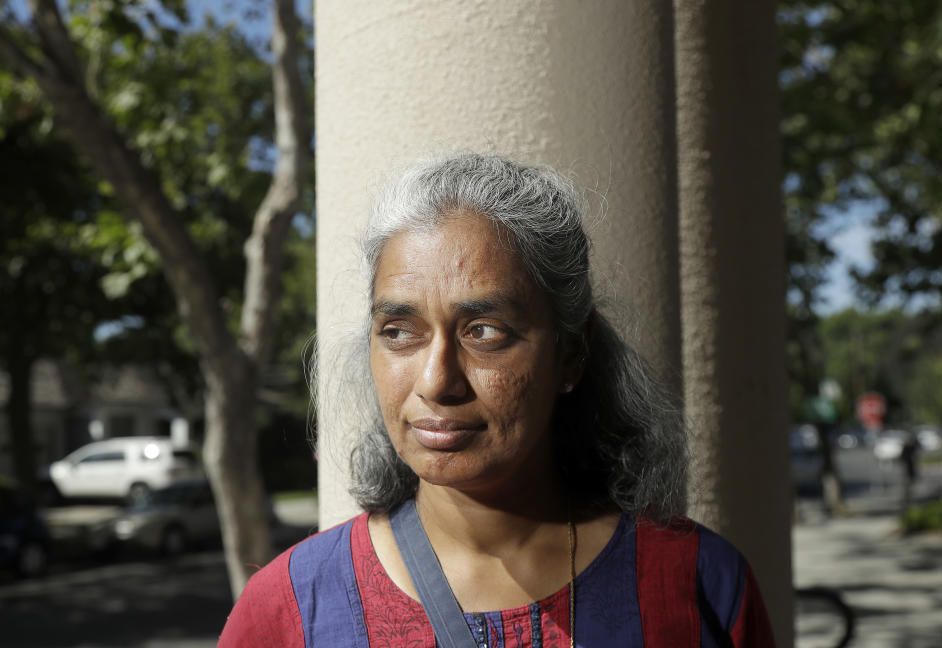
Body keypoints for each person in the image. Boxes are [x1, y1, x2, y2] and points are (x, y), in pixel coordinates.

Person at [218, 153, 776, 647]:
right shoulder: (292, 608)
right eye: (399, 331)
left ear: (572, 353)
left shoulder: (698, 583)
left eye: (484, 330)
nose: (437, 382)